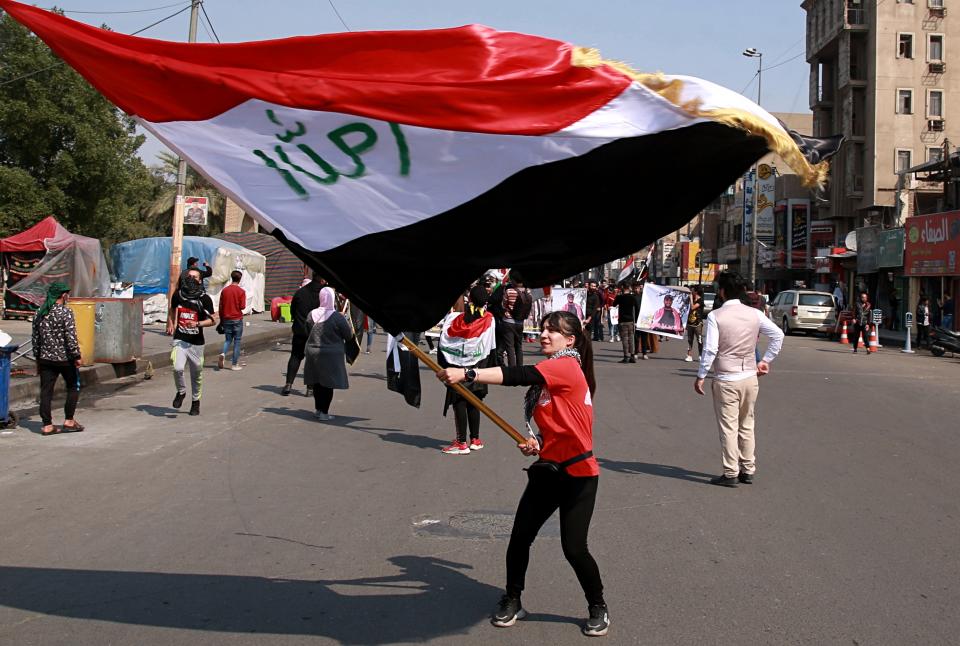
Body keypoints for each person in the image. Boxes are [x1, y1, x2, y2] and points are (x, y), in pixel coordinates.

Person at [437, 311, 609, 637]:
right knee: (519, 538)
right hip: (548, 470)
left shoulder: (566, 366)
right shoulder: (554, 375)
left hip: (578, 474)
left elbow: (518, 374)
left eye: (553, 331)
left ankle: (598, 605)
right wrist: (538, 442)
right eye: (543, 328)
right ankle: (512, 599)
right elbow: (562, 424)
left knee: (574, 548)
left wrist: (467, 373)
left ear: (570, 340)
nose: (544, 334)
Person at [695, 271, 784, 487]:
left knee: (729, 426)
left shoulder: (716, 316)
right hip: (750, 377)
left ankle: (730, 472)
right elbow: (778, 335)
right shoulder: (755, 314)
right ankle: (748, 469)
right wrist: (765, 360)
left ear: (722, 291)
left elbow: (710, 349)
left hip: (726, 378)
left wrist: (701, 375)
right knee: (747, 424)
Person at [438, 286, 497, 454]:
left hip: (457, 368)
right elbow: (492, 347)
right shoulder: (490, 319)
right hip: (479, 369)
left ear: (469, 299)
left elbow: (444, 344)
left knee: (459, 404)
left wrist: (444, 366)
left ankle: (461, 442)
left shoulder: (453, 319)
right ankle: (475, 439)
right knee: (475, 403)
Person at [32, 283, 84, 436]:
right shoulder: (65, 312)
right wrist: (77, 356)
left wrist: (37, 358)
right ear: (63, 295)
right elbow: (70, 337)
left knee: (46, 391)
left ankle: (47, 425)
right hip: (65, 359)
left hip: (45, 359)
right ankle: (69, 421)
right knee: (73, 386)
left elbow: (35, 338)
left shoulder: (39, 313)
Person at [167, 268, 216, 416]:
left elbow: (213, 320)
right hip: (181, 339)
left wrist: (197, 324)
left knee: (197, 374)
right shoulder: (178, 295)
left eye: (195, 277)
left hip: (196, 342)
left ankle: (196, 402)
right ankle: (181, 392)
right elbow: (172, 308)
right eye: (189, 276)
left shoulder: (204, 299)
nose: (191, 279)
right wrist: (171, 322)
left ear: (200, 281)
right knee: (177, 367)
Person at [303, 287, 353, 420]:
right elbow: (348, 335)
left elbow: (307, 331)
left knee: (317, 382)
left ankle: (318, 410)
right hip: (331, 355)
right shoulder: (337, 317)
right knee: (328, 384)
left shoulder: (311, 314)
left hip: (313, 352)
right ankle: (324, 412)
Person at [283, 272, 326, 396]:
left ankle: (288, 384)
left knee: (295, 356)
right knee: (312, 360)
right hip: (316, 332)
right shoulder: (324, 294)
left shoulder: (300, 292)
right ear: (322, 279)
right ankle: (310, 388)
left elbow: (292, 310)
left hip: (300, 330)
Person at [489, 271, 533, 367]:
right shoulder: (528, 291)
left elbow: (503, 305)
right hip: (520, 322)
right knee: (519, 347)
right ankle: (520, 368)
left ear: (513, 280)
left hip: (508, 322)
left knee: (510, 347)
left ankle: (512, 371)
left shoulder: (509, 291)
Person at [218, 270, 246, 370]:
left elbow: (220, 306)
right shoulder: (241, 292)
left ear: (231, 277)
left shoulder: (225, 291)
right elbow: (242, 306)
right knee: (237, 341)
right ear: (240, 279)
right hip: (237, 318)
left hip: (226, 318)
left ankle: (223, 353)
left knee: (228, 339)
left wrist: (221, 319)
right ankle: (234, 364)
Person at [613, 283, 640, 363]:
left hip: (622, 320)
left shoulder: (619, 297)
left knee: (624, 339)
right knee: (631, 338)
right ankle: (632, 356)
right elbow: (637, 308)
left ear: (622, 288)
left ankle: (626, 356)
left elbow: (614, 304)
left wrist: (618, 295)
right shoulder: (632, 297)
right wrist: (636, 320)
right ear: (629, 288)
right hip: (631, 320)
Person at [685, 286, 705, 362]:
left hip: (698, 323)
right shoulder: (691, 299)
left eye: (692, 291)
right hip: (690, 323)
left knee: (699, 339)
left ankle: (700, 355)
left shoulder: (700, 300)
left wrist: (690, 299)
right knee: (690, 340)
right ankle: (689, 355)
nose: (691, 292)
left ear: (696, 292)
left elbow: (693, 307)